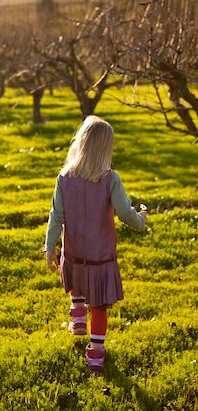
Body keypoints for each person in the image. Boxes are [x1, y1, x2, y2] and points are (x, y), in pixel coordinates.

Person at [44, 115, 147, 374]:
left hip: (75, 252)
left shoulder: (65, 177)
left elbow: (56, 216)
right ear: (106, 149)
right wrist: (141, 221)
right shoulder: (110, 179)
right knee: (100, 305)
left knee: (76, 276)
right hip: (100, 255)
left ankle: (77, 313)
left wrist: (49, 248)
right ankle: (96, 356)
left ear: (80, 143)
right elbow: (125, 213)